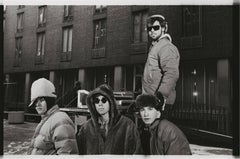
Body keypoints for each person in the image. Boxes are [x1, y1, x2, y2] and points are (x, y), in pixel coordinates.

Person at [76, 84, 142, 154]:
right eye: (97, 101)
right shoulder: (86, 128)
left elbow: (137, 153)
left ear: (111, 102)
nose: (100, 104)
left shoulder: (127, 125)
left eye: (104, 100)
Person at [142, 14, 180, 119]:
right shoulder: (155, 47)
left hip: (160, 103)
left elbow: (171, 73)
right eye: (149, 28)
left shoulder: (166, 47)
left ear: (163, 28)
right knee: (154, 133)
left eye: (156, 27)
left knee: (160, 132)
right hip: (152, 101)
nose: (152, 31)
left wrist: (161, 96)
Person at [27, 78, 78, 155]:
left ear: (50, 100)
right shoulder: (46, 120)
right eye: (35, 101)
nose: (37, 104)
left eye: (42, 100)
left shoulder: (61, 121)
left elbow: (67, 153)